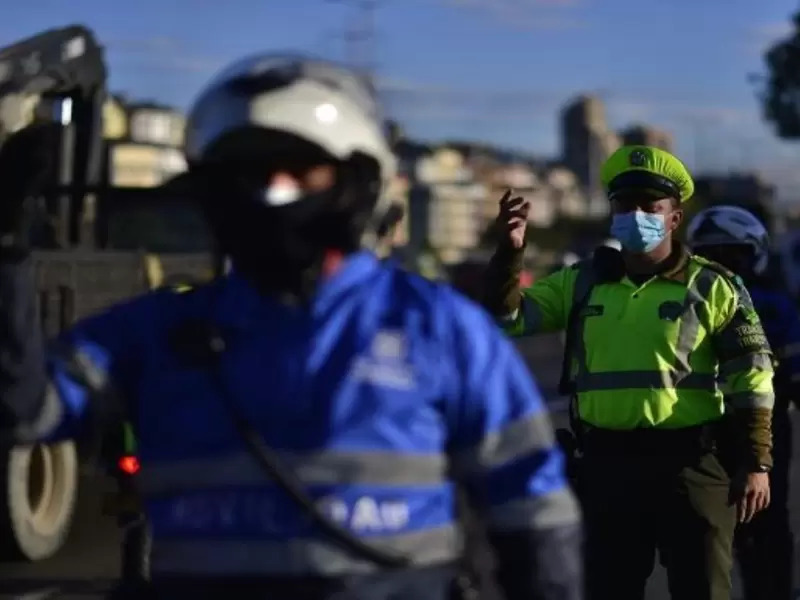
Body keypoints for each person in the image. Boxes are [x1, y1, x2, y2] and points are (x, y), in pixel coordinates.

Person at [0, 54, 582, 600]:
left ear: (357, 183)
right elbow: (26, 408)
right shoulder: (159, 330)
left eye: (299, 172)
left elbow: (533, 511)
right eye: (246, 175)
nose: (273, 194)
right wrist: (5, 255)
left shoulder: (440, 328)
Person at [483, 144, 775, 600]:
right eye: (625, 205)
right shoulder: (579, 283)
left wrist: (756, 462)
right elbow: (506, 319)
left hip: (691, 467)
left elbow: (752, 375)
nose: (636, 214)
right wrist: (510, 250)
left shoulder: (713, 285)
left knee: (703, 591)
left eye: (650, 206)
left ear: (674, 218)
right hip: (606, 468)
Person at [687, 205, 799, 600]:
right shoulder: (680, 306)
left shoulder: (773, 306)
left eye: (732, 255)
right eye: (712, 256)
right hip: (701, 432)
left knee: (761, 533)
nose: (723, 266)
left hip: (757, 431)